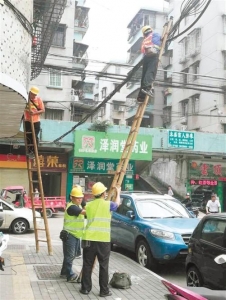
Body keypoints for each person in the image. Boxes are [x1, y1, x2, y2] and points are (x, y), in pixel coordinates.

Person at [80, 182, 121, 297]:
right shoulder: (108, 205)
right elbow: (117, 204)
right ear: (104, 193)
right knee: (103, 266)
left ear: (93, 195)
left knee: (87, 264)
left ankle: (85, 289)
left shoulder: (88, 205)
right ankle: (104, 291)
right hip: (103, 240)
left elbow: (87, 215)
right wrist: (118, 192)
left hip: (88, 238)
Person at [60, 186, 86, 282]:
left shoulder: (78, 205)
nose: (80, 199)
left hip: (75, 234)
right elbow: (85, 212)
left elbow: (84, 206)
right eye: (78, 198)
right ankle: (69, 275)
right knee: (69, 256)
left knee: (70, 255)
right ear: (72, 197)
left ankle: (64, 271)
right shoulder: (72, 207)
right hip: (69, 235)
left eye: (81, 198)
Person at [137, 25, 161, 102]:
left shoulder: (144, 40)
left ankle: (141, 97)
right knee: (151, 71)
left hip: (146, 57)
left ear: (144, 33)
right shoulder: (155, 34)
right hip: (153, 54)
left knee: (144, 75)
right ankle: (147, 88)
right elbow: (159, 41)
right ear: (151, 30)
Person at [24, 86, 45, 159]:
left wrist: (34, 113)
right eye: (33, 94)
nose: (34, 96)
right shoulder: (25, 98)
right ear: (30, 92)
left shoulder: (38, 99)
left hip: (36, 121)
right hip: (27, 120)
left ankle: (33, 152)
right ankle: (29, 152)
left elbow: (42, 110)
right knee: (28, 137)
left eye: (35, 95)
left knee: (34, 137)